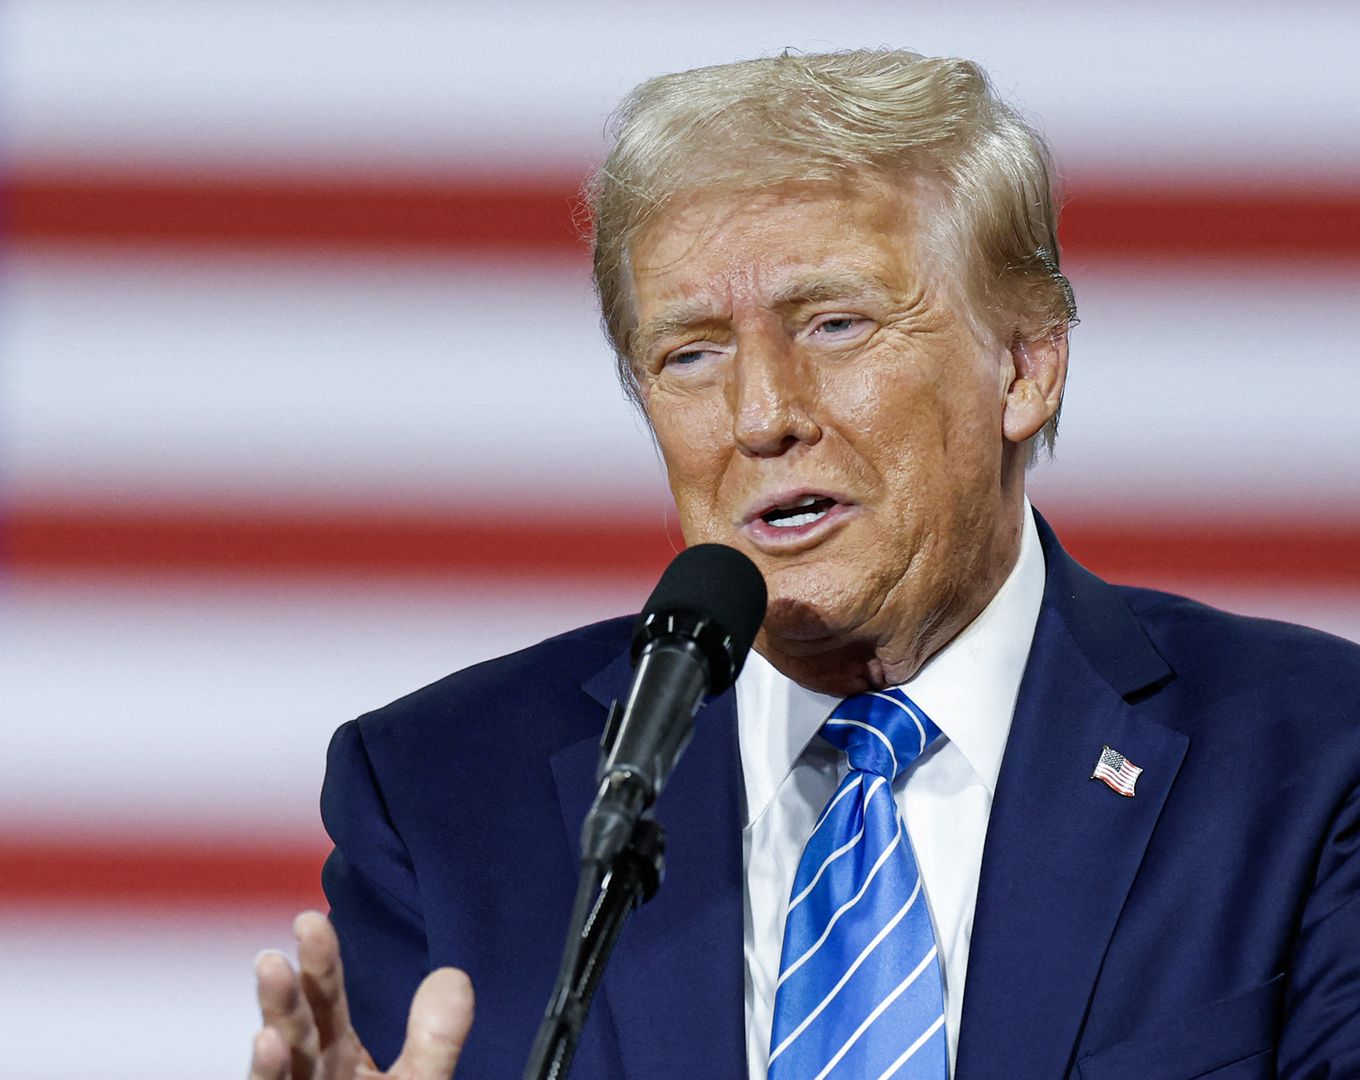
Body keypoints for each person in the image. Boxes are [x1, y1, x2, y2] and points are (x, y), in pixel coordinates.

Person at [247, 50, 1360, 1080]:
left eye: (834, 326)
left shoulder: (1307, 763)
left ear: (1026, 367)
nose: (763, 416)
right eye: (691, 354)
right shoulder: (443, 797)